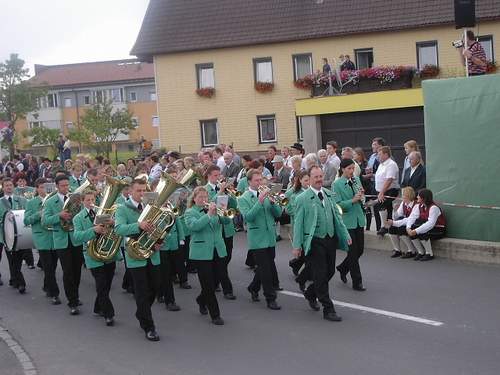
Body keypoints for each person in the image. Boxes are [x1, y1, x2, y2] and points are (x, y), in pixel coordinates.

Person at [292, 166, 351, 321]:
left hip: (330, 239)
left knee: (330, 271)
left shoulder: (329, 195)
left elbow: (338, 218)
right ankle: (328, 308)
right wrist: (297, 246)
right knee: (320, 273)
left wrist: (345, 235)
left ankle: (311, 293)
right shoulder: (302, 199)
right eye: (315, 177)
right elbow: (298, 224)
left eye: (320, 176)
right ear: (309, 179)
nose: (319, 179)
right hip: (314, 240)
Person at [115, 178, 161, 341]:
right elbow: (119, 229)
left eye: (143, 191)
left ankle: (141, 312)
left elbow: (160, 228)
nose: (142, 194)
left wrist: (159, 241)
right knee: (141, 292)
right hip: (135, 256)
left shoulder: (151, 207)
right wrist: (138, 225)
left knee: (155, 289)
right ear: (130, 191)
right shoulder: (122, 209)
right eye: (138, 191)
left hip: (152, 254)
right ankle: (149, 327)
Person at [73, 190, 119, 326]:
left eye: (93, 199)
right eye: (88, 200)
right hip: (92, 254)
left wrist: (113, 223)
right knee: (101, 285)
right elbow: (76, 237)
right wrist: (93, 230)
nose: (91, 202)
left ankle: (98, 307)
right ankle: (108, 314)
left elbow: (117, 230)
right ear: (82, 201)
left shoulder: (104, 214)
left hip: (108, 253)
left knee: (107, 284)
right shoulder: (78, 218)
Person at [238, 169, 283, 310]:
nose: (259, 183)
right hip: (257, 238)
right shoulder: (243, 198)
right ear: (249, 181)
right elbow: (248, 217)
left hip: (270, 236)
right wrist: (260, 201)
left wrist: (274, 202)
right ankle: (270, 298)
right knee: (265, 268)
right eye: (256, 180)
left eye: (260, 180)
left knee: (266, 266)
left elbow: (278, 214)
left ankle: (253, 287)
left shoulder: (267, 193)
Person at [185, 187, 229, 325]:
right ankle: (215, 315)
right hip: (201, 251)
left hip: (218, 249)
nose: (204, 199)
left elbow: (227, 222)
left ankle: (201, 299)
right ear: (194, 198)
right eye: (200, 197)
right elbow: (194, 226)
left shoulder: (214, 210)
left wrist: (223, 212)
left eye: (206, 197)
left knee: (217, 278)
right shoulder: (189, 212)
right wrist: (209, 214)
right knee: (208, 284)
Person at [42, 174, 83, 314]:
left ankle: (75, 296)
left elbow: (81, 214)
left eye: (67, 185)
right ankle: (72, 301)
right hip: (61, 241)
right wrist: (59, 215)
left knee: (77, 270)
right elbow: (45, 221)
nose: (66, 188)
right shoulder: (50, 201)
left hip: (76, 238)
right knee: (68, 272)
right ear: (57, 187)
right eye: (63, 186)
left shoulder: (75, 198)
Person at [23, 178, 60, 304]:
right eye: (42, 187)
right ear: (37, 189)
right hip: (42, 238)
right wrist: (39, 214)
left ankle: (47, 286)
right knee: (48, 267)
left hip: (55, 237)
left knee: (53, 266)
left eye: (47, 187)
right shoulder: (32, 203)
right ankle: (55, 294)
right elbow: (26, 220)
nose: (45, 189)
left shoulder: (54, 201)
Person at [334, 159, 367, 291]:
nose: (352, 171)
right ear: (342, 169)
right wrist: (353, 200)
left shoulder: (356, 180)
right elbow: (338, 204)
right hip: (347, 222)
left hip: (359, 219)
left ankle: (342, 268)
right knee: (353, 252)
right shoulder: (337, 184)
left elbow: (361, 197)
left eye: (353, 168)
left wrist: (362, 197)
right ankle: (357, 282)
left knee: (360, 250)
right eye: (349, 169)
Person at [204, 165, 236, 299]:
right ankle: (227, 289)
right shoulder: (204, 190)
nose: (218, 178)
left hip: (227, 227)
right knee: (220, 260)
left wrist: (231, 193)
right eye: (215, 175)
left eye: (219, 175)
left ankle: (215, 280)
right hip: (214, 228)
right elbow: (208, 205)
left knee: (227, 256)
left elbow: (234, 206)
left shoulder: (224, 189)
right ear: (209, 176)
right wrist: (220, 192)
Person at [0, 178, 28, 294]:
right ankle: (20, 283)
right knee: (12, 258)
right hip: (5, 235)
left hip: (20, 235)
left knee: (16, 258)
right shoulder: (0, 202)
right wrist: (5, 219)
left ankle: (14, 279)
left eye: (10, 185)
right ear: (3, 187)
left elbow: (27, 212)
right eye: (6, 185)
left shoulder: (21, 199)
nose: (9, 187)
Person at [406, 189, 446, 261]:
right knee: (412, 228)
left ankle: (429, 254)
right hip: (430, 228)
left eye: (419, 196)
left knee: (423, 232)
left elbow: (430, 224)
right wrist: (408, 228)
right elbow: (412, 217)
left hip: (439, 229)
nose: (417, 197)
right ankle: (421, 252)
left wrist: (416, 231)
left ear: (424, 198)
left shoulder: (433, 208)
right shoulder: (420, 206)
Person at [157, 208, 185, 310]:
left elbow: (178, 224)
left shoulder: (170, 210)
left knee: (168, 271)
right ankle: (170, 301)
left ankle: (160, 294)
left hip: (173, 243)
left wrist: (181, 238)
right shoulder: (154, 211)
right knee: (165, 273)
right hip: (161, 245)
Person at [374, 146, 400, 236]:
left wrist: (382, 192)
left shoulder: (391, 164)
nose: (378, 156)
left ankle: (384, 226)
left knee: (380, 204)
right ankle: (389, 226)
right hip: (380, 190)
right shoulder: (381, 164)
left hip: (389, 190)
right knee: (388, 208)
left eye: (380, 154)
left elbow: (389, 179)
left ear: (386, 154)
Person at [386, 187, 418, 258]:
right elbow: (397, 216)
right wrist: (394, 210)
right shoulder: (404, 203)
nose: (402, 197)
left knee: (401, 229)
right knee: (392, 228)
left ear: (408, 196)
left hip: (414, 223)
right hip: (406, 222)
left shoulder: (416, 205)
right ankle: (397, 250)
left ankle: (412, 250)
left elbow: (410, 219)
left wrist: (394, 222)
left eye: (403, 195)